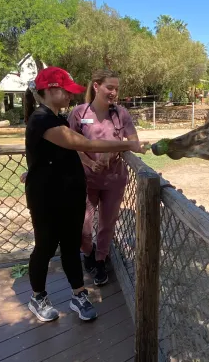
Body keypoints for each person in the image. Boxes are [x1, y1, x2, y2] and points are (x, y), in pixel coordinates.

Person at [22, 67, 147, 323]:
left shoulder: (58, 117)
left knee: (70, 245)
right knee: (45, 247)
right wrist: (128, 144)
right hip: (47, 197)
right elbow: (84, 144)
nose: (70, 95)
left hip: (69, 194)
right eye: (66, 90)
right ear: (50, 90)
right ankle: (38, 296)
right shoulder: (41, 119)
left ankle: (78, 294)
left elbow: (52, 155)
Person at [68, 69, 140, 286]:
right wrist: (89, 162)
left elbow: (134, 142)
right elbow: (71, 144)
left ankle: (100, 261)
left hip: (114, 179)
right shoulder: (79, 113)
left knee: (107, 224)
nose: (114, 92)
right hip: (85, 179)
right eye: (110, 87)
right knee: (84, 226)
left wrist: (112, 151)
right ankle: (87, 254)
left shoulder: (121, 114)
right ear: (97, 86)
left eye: (117, 88)